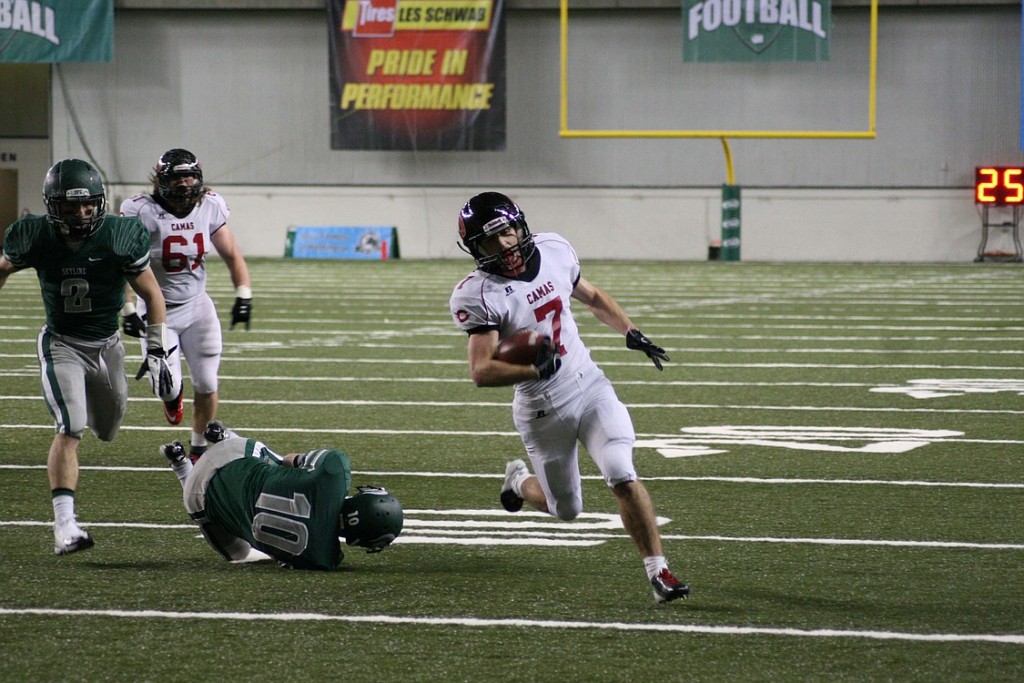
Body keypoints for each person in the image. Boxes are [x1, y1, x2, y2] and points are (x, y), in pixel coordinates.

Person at [448, 191, 689, 604]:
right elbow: (481, 370)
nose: (504, 244)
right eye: (491, 240)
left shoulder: (554, 249)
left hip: (589, 383)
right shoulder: (479, 294)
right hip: (541, 408)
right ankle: (519, 482)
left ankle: (658, 572)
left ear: (519, 226)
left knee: (621, 472)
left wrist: (629, 331)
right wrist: (533, 368)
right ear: (476, 249)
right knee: (567, 510)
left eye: (506, 232)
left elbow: (592, 296)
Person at [0, 158, 176, 556]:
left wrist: (156, 346)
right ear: (51, 206)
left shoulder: (118, 235)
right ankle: (65, 525)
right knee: (71, 426)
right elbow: (4, 266)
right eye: (68, 206)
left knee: (109, 428)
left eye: (86, 205)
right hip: (61, 342)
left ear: (98, 203)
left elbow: (153, 295)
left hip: (108, 344)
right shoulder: (35, 237)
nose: (80, 214)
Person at [119, 148, 252, 462]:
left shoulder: (210, 207)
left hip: (197, 306)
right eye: (178, 177)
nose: (185, 183)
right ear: (162, 180)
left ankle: (197, 449)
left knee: (207, 382)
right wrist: (126, 307)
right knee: (166, 388)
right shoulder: (142, 211)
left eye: (189, 176)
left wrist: (244, 294)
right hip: (155, 308)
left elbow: (232, 254)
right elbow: (124, 261)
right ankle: (172, 397)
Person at [159, 422, 403, 570]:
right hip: (196, 496)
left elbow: (290, 459)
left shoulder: (335, 471)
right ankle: (180, 464)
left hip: (234, 453)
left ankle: (225, 437)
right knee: (238, 555)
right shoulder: (322, 559)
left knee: (281, 465)